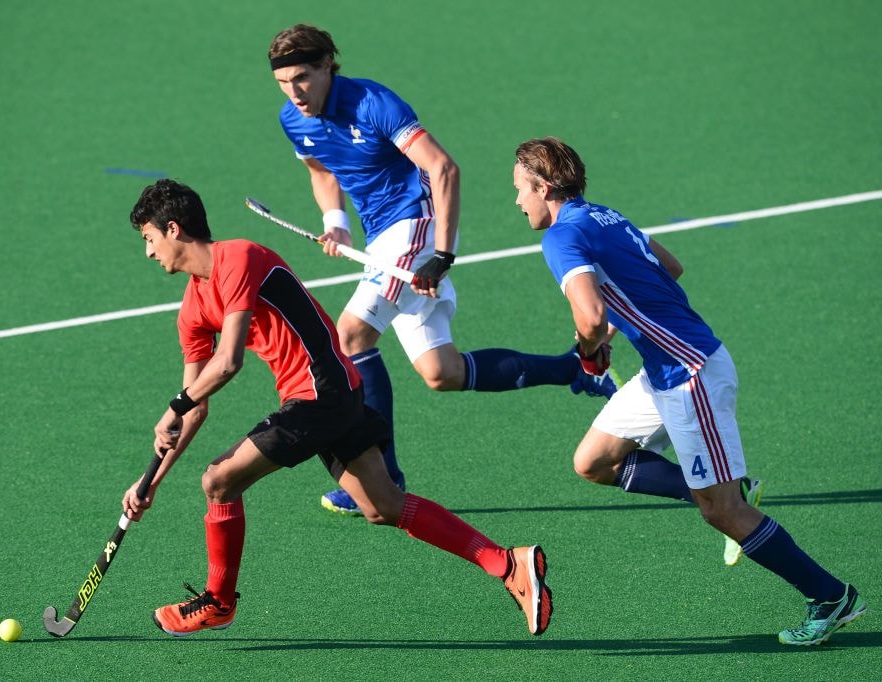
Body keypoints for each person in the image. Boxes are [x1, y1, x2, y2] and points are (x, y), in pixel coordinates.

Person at [120, 178, 552, 637]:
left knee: (218, 480)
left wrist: (176, 404)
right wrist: (150, 482)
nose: (148, 252)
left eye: (149, 238)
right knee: (383, 506)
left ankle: (219, 602)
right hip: (329, 394)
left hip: (320, 391)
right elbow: (194, 407)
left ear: (173, 229)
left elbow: (227, 363)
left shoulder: (238, 258)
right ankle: (507, 563)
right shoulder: (192, 309)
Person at [511, 136, 866, 646]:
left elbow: (589, 316)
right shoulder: (606, 216)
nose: (517, 201)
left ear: (543, 187)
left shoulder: (560, 237)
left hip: (689, 374)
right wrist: (615, 331)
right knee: (593, 461)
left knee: (721, 512)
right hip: (663, 370)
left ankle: (831, 596)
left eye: (520, 189)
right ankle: (732, 487)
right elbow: (671, 267)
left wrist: (590, 351)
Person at [268, 24, 617, 516]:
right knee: (442, 371)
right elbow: (321, 169)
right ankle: (573, 369)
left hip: (417, 223)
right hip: (379, 234)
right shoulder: (293, 119)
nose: (294, 92)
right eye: (283, 82)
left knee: (351, 336)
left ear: (328, 65)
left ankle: (382, 479)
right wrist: (336, 224)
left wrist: (443, 253)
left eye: (302, 77)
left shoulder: (373, 103)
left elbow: (443, 167)